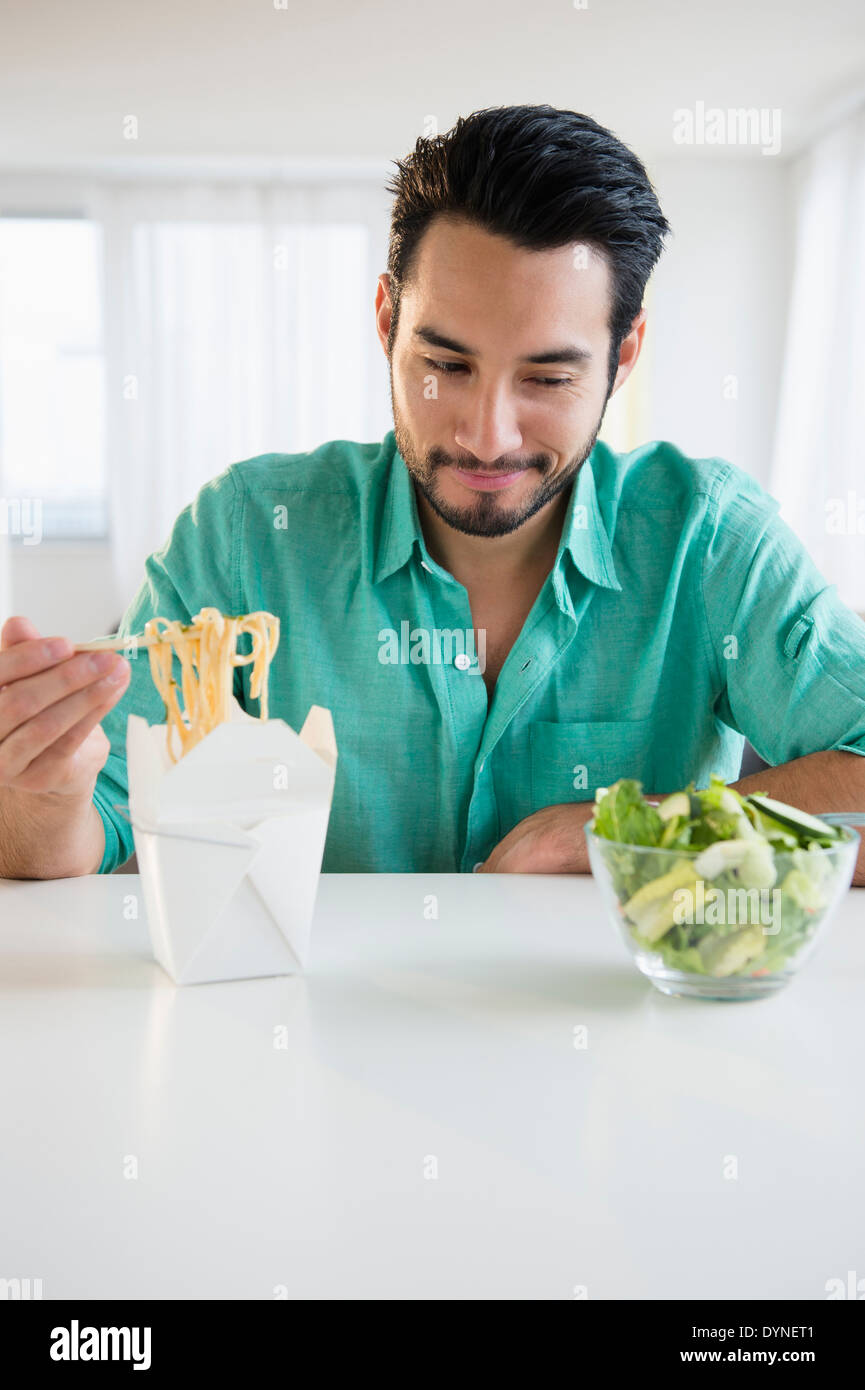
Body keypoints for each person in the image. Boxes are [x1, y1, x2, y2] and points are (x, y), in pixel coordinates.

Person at [2, 104, 865, 882]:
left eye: (547, 378)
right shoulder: (246, 534)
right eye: (445, 366)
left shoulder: (704, 539)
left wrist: (646, 831)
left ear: (623, 355)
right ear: (387, 322)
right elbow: (97, 834)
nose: (485, 436)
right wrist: (41, 796)